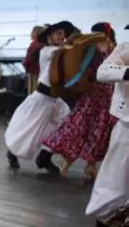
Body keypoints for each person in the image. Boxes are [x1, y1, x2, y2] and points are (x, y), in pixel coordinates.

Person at [43, 23, 117, 179]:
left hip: (105, 97)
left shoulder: (111, 48)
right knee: (80, 128)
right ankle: (69, 160)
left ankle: (90, 165)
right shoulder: (90, 48)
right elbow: (86, 69)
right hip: (93, 95)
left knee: (97, 131)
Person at [5, 20, 77, 172]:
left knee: (65, 122)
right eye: (59, 34)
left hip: (55, 99)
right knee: (28, 129)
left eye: (63, 35)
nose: (62, 37)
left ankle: (45, 156)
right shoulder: (48, 51)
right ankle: (12, 152)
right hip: (42, 98)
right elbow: (62, 52)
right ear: (50, 36)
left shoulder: (61, 51)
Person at [87, 23, 129, 227]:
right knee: (115, 178)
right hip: (127, 126)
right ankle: (105, 215)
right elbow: (103, 71)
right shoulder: (125, 49)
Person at [23, 25, 46, 94]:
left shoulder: (35, 45)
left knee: (33, 94)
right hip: (43, 73)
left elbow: (28, 60)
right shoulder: (44, 44)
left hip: (33, 73)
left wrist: (25, 64)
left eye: (32, 32)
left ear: (36, 33)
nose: (30, 34)